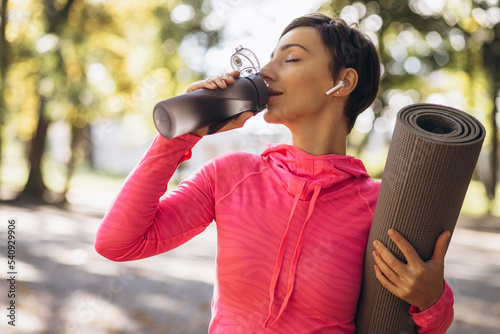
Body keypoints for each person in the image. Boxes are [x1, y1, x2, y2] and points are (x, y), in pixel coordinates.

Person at [95, 13, 454, 333]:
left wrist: (434, 301)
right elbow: (117, 243)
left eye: (292, 58)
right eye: (269, 59)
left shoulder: (382, 207)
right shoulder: (232, 175)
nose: (265, 72)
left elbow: (410, 322)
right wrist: (178, 136)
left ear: (343, 83)